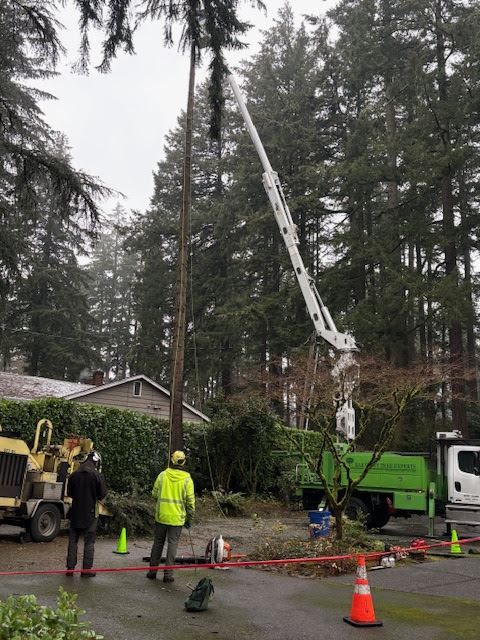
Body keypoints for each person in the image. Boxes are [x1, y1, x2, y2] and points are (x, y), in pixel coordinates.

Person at [147, 450, 195, 583]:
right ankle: (168, 575)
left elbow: (154, 494)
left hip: (161, 516)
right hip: (177, 519)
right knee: (172, 545)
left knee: (158, 543)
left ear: (172, 460)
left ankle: (152, 571)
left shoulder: (162, 475)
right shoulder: (187, 479)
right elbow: (191, 503)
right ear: (184, 461)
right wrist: (189, 519)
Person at [66, 450, 107, 577]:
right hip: (90, 513)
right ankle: (86, 570)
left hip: (75, 512)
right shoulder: (97, 475)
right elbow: (102, 495)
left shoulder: (74, 474)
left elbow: (69, 493)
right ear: (96, 461)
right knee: (89, 542)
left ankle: (70, 569)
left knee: (73, 541)